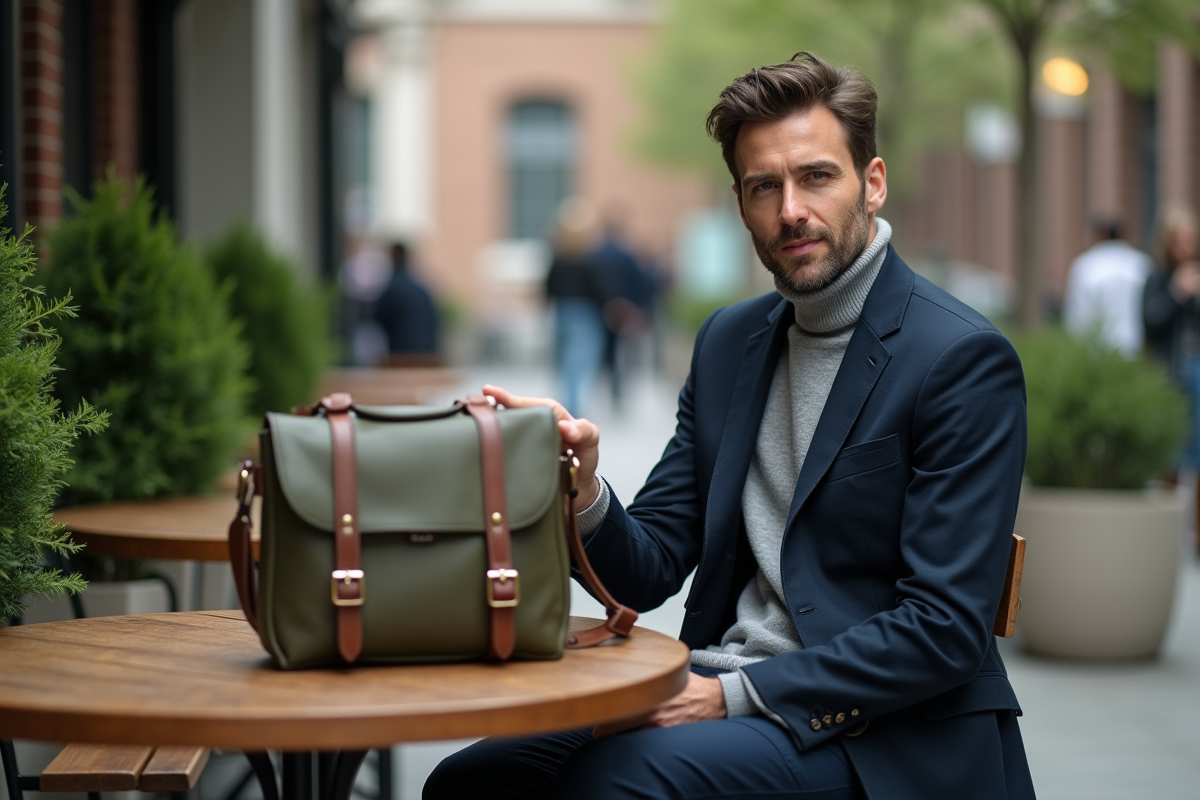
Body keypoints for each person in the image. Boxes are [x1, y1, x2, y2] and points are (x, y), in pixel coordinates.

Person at [426, 52, 1033, 800]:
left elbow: (942, 627)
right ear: (739, 204)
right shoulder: (728, 344)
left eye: (816, 176)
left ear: (871, 183)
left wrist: (726, 698)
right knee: (472, 780)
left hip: (884, 734)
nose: (791, 211)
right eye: (763, 187)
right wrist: (582, 490)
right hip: (718, 683)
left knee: (614, 783)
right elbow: (646, 572)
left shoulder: (960, 359)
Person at [1143, 205, 1200, 548]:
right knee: (1169, 459)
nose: (1186, 248)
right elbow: (1150, 323)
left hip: (1197, 375)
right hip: (1170, 378)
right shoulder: (1158, 279)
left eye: (1191, 240)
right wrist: (1178, 294)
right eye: (1180, 241)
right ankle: (1164, 536)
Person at [544, 199, 613, 418]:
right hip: (585, 315)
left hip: (562, 312)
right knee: (580, 363)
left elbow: (548, 287)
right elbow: (600, 290)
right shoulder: (591, 260)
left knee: (565, 365)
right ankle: (572, 408)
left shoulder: (558, 258)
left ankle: (567, 405)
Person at [1062, 218, 1153, 356]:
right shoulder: (1142, 263)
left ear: (1100, 236)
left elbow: (1076, 318)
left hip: (1097, 351)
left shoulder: (1084, 265)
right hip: (1137, 348)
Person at [372, 241, 440, 364]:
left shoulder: (391, 288)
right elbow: (434, 322)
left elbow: (378, 318)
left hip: (398, 355)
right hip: (424, 355)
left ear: (395, 256)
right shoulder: (422, 289)